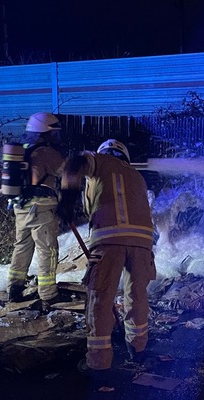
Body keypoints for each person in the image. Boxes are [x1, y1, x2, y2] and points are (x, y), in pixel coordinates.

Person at [58, 139, 155, 387]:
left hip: (109, 239)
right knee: (137, 295)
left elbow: (74, 164)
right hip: (143, 243)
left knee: (100, 297)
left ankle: (98, 364)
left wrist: (66, 199)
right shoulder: (137, 176)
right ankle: (137, 348)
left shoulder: (100, 162)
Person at [7, 112, 67, 309]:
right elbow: (64, 171)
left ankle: (14, 288)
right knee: (47, 250)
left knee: (21, 247)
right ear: (46, 132)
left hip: (21, 206)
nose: (56, 136)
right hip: (40, 208)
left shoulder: (23, 150)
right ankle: (49, 294)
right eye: (54, 132)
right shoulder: (45, 151)